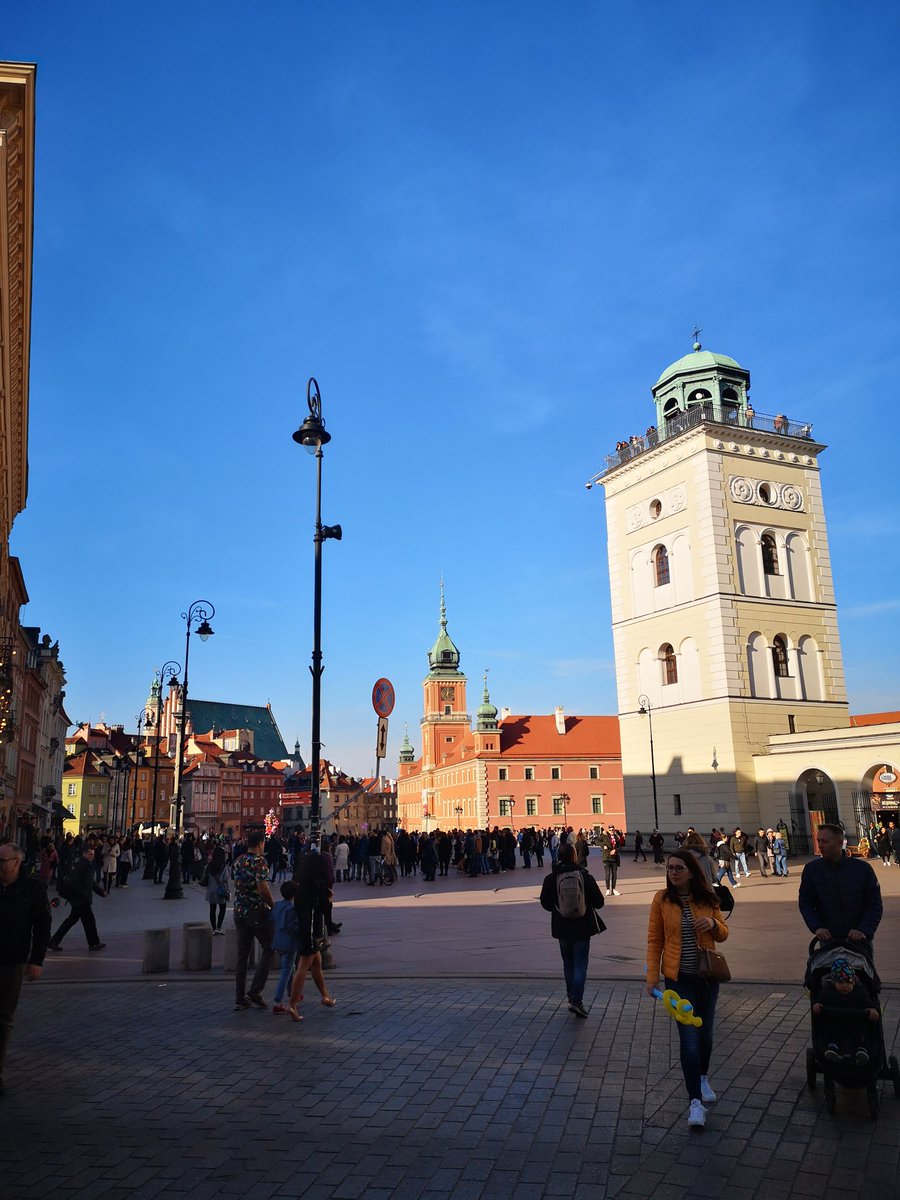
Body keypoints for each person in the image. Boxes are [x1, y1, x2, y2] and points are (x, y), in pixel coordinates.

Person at [646, 849, 729, 1129]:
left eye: (679, 868)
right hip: (678, 980)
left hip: (706, 977)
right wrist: (651, 977)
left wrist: (713, 923)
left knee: (705, 1035)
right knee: (689, 1040)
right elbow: (654, 939)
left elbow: (724, 933)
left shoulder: (707, 898)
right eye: (670, 868)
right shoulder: (661, 899)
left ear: (691, 871)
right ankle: (694, 1102)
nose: (673, 872)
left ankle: (703, 1077)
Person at [0, 842, 51, 1096]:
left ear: (17, 862)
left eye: (2, 861)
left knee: (3, 1019)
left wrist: (36, 960)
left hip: (12, 962)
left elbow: (42, 926)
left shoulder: (32, 890)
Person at [539, 842, 606, 1018]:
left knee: (568, 964)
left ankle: (571, 998)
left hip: (562, 928)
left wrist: (559, 906)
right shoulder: (585, 876)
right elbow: (599, 902)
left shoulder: (551, 878)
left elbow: (545, 904)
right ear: (574, 856)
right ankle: (577, 1000)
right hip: (582, 928)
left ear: (558, 857)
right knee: (580, 964)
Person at [798, 823, 882, 947]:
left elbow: (874, 904)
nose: (821, 845)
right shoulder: (812, 870)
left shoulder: (862, 869)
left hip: (859, 940)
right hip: (828, 939)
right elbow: (806, 903)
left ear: (839, 842)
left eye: (825, 841)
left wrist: (863, 930)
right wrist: (817, 927)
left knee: (861, 965)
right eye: (819, 841)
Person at [287, 848, 336, 1021]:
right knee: (303, 967)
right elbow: (324, 909)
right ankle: (292, 1004)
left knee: (317, 963)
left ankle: (326, 996)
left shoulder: (301, 883)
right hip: (312, 929)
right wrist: (329, 898)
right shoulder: (319, 885)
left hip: (304, 926)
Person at [231, 832, 275, 1010]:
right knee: (269, 948)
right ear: (260, 844)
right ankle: (255, 990)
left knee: (242, 955)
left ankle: (240, 996)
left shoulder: (238, 861)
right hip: (256, 912)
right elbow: (263, 887)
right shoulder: (259, 862)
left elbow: (236, 883)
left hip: (239, 912)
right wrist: (273, 905)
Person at [812, 958, 880, 1066]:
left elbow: (867, 1002)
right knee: (829, 1032)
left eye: (848, 982)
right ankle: (833, 1050)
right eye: (840, 982)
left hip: (855, 1024)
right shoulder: (828, 992)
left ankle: (861, 1050)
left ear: (853, 981)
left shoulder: (859, 992)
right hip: (835, 1023)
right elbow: (820, 1000)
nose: (845, 985)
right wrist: (817, 1004)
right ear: (833, 982)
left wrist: (873, 1009)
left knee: (863, 1032)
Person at [48, 846, 107, 952]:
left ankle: (53, 941)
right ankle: (94, 943)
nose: (92, 856)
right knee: (89, 921)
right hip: (81, 899)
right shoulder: (83, 865)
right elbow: (76, 882)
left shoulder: (84, 864)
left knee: (72, 920)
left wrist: (100, 891)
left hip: (78, 899)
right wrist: (83, 893)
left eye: (93, 854)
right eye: (90, 854)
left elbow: (91, 882)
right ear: (84, 854)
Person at [205, 843, 230, 934]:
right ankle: (219, 927)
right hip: (220, 890)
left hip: (211, 890)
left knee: (212, 909)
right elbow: (226, 879)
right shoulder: (223, 866)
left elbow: (206, 876)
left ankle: (213, 927)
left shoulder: (210, 865)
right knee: (222, 909)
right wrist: (228, 889)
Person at [598, 827, 620, 896]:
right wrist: (603, 845)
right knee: (607, 874)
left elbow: (619, 846)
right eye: (610, 830)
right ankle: (608, 889)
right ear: (608, 830)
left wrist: (615, 850)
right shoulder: (604, 837)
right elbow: (596, 840)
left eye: (612, 830)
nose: (611, 831)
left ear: (614, 830)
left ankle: (613, 889)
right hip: (607, 858)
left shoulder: (616, 837)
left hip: (614, 858)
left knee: (614, 874)